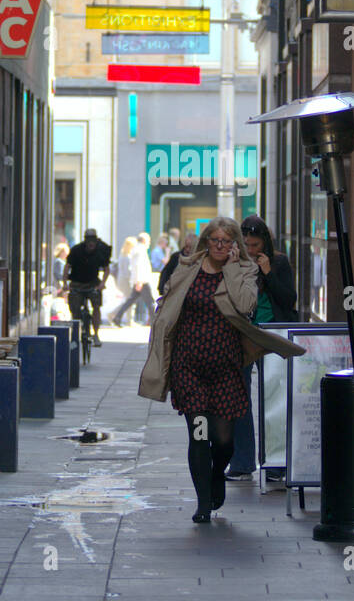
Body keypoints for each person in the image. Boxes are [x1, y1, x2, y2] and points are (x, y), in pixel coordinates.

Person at [137, 216, 306, 524]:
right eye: (215, 241)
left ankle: (217, 474)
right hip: (189, 365)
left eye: (226, 242)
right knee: (199, 433)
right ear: (206, 242)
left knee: (224, 440)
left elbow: (245, 306)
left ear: (234, 246)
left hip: (226, 365)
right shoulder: (187, 266)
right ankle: (203, 502)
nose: (220, 246)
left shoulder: (244, 270)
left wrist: (230, 268)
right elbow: (169, 298)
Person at [225, 215, 299, 482]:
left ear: (264, 243)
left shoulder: (278, 262)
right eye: (246, 244)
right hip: (242, 334)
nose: (251, 249)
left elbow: (288, 299)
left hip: (271, 335)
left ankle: (276, 462)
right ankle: (243, 462)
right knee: (239, 399)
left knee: (273, 398)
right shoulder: (233, 262)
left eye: (255, 245)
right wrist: (233, 268)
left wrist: (268, 273)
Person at [64, 229, 112, 346]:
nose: (91, 243)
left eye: (93, 240)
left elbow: (106, 269)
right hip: (77, 283)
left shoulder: (101, 251)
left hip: (92, 283)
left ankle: (96, 334)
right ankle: (76, 333)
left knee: (96, 306)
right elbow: (67, 266)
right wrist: (65, 283)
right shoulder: (76, 250)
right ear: (85, 241)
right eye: (88, 240)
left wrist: (102, 284)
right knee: (75, 309)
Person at [111, 234, 156, 327]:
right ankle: (155, 321)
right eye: (149, 241)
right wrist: (139, 281)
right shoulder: (140, 250)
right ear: (144, 241)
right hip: (142, 281)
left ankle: (117, 317)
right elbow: (138, 266)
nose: (149, 243)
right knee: (150, 302)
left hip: (139, 281)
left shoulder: (137, 250)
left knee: (130, 301)